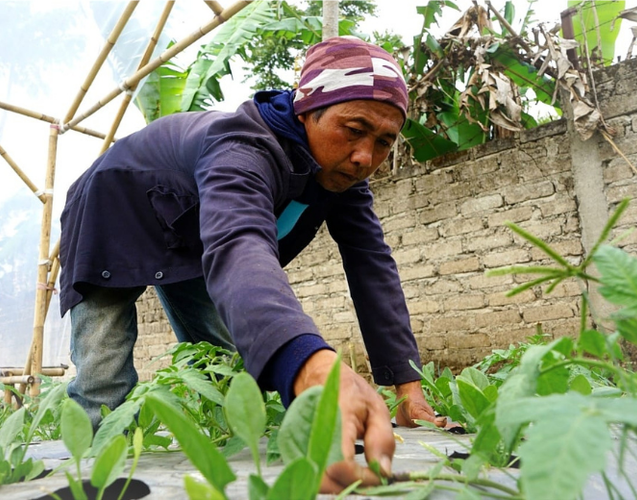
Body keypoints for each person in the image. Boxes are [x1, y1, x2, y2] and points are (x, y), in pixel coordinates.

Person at [59, 36, 445, 493]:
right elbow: (240, 242)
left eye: (383, 141)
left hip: (191, 229)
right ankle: (99, 475)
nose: (365, 157)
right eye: (354, 128)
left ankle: (221, 454)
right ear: (307, 111)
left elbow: (373, 269)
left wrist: (409, 388)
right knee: (104, 363)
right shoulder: (243, 146)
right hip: (115, 206)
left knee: (226, 364)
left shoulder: (344, 180)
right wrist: (312, 364)